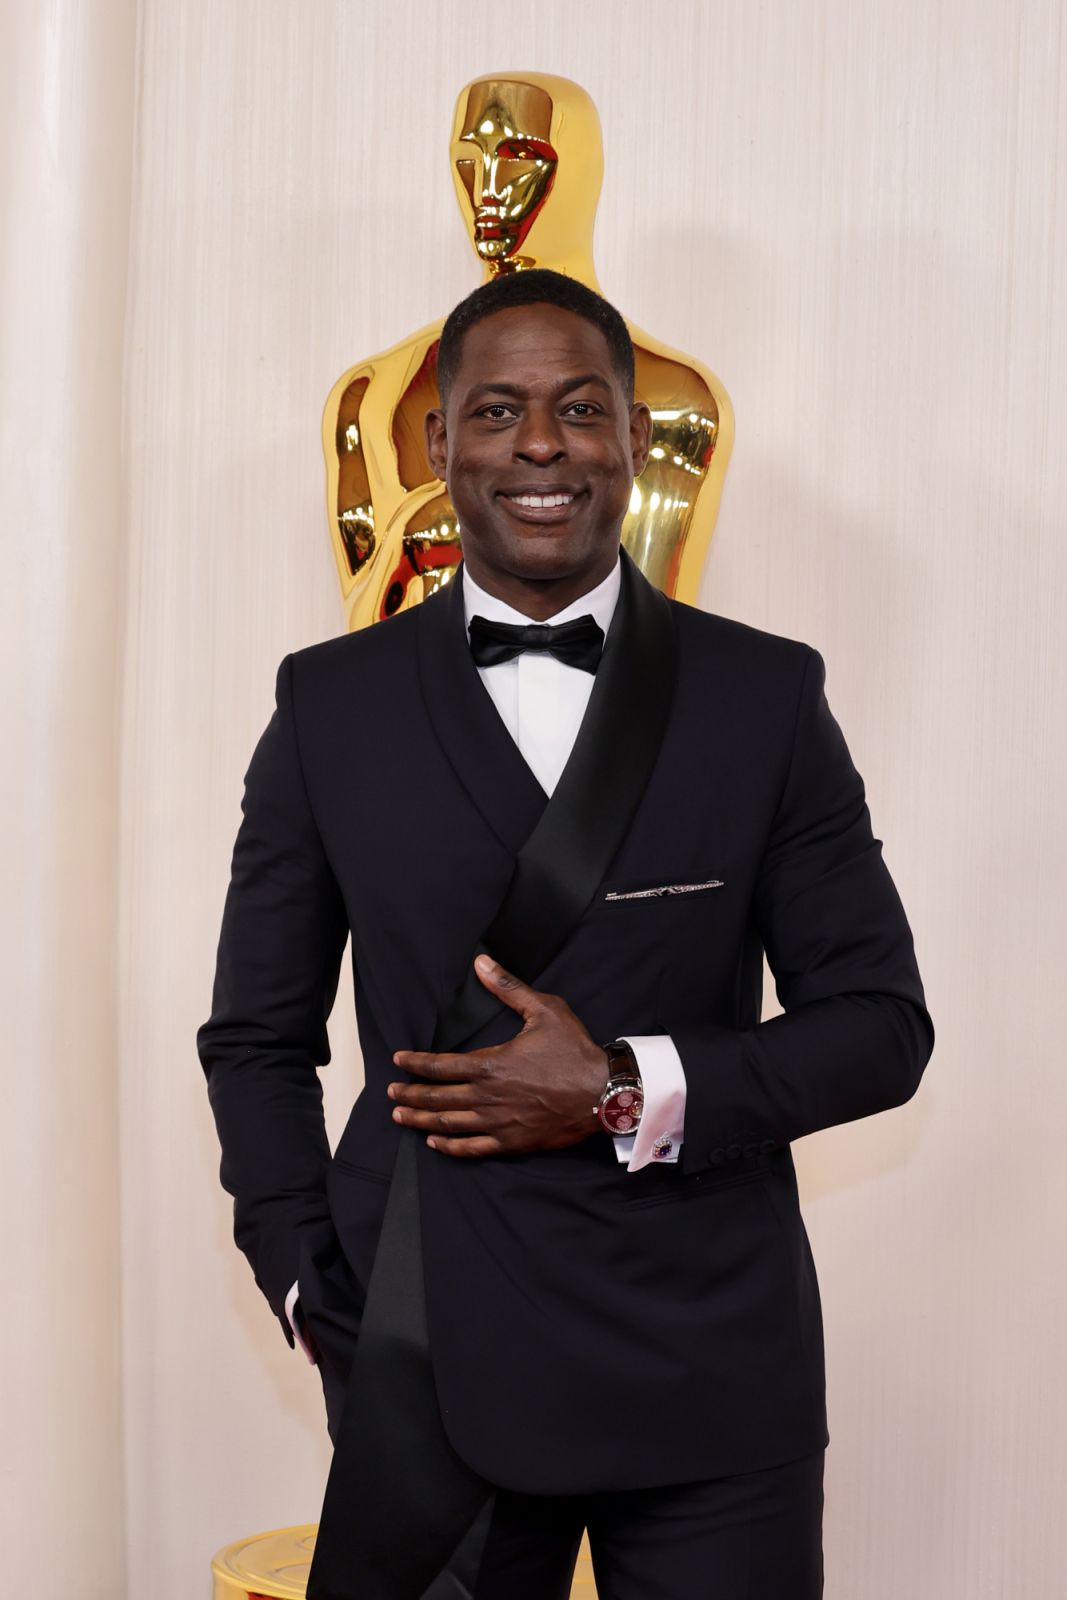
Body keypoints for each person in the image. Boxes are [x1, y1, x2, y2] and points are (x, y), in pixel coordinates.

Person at [197, 268, 934, 1600]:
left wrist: (617, 1087)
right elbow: (256, 1034)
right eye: (497, 411)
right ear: (440, 445)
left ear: (635, 441)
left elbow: (880, 1030)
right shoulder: (328, 708)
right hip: (425, 1347)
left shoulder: (764, 698)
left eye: (581, 409)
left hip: (710, 1370)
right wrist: (304, 1273)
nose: (541, 445)